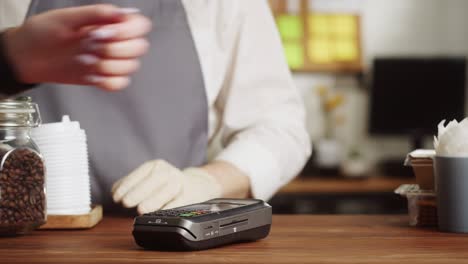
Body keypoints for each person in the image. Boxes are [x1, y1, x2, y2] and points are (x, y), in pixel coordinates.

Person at [0, 0, 311, 214]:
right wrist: (6, 61)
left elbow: (280, 129)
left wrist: (207, 181)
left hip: (170, 239)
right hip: (20, 240)